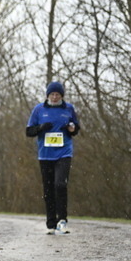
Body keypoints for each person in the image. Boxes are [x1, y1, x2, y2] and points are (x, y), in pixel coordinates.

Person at [26, 81, 81, 235]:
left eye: (58, 94)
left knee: (60, 184)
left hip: (64, 153)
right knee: (48, 189)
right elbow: (29, 131)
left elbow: (75, 128)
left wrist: (72, 129)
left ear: (62, 96)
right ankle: (51, 222)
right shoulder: (39, 109)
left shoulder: (68, 108)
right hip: (45, 155)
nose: (55, 97)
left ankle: (62, 220)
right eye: (52, 94)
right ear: (48, 95)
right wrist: (41, 128)